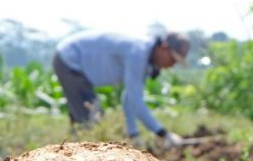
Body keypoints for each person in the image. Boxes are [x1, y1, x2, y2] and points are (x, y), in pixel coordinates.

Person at [53, 30, 189, 148]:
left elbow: (130, 96)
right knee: (91, 119)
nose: (171, 65)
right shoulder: (138, 53)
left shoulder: (144, 54)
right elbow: (136, 100)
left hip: (72, 62)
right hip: (69, 60)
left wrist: (133, 133)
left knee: (88, 119)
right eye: (173, 60)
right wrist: (163, 134)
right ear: (164, 48)